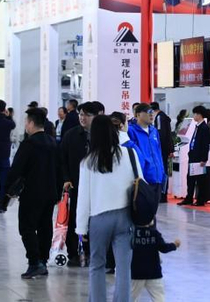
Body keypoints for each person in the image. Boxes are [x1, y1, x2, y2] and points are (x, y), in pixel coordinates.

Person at [76, 115, 142, 302]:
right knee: (123, 268)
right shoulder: (129, 154)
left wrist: (81, 228)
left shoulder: (88, 162)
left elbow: (84, 198)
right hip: (125, 217)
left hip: (99, 219)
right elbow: (141, 183)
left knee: (97, 265)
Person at [6, 107, 62, 279]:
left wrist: (7, 190)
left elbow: (16, 169)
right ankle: (43, 261)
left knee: (27, 227)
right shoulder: (53, 142)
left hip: (31, 193)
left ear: (31, 123)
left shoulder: (29, 144)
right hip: (50, 192)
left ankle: (34, 262)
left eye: (26, 122)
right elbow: (60, 169)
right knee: (45, 227)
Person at [61, 101, 99, 267]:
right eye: (81, 114)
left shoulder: (101, 136)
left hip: (97, 187)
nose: (83, 118)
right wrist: (66, 178)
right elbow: (62, 159)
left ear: (95, 117)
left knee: (94, 220)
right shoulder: (71, 135)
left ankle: (91, 252)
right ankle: (73, 253)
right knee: (74, 219)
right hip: (76, 186)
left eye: (87, 115)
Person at [131, 220, 180, 302]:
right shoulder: (154, 233)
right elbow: (164, 248)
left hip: (137, 273)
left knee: (132, 297)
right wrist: (174, 245)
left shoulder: (132, 234)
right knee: (158, 297)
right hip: (154, 272)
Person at [128, 103, 166, 199]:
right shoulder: (131, 131)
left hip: (157, 177)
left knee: (155, 206)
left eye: (152, 112)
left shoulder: (154, 131)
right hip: (142, 178)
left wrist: (162, 172)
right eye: (148, 112)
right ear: (138, 114)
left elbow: (159, 153)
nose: (151, 114)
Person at [178, 105, 210, 207]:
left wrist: (204, 159)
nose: (194, 116)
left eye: (195, 114)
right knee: (190, 178)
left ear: (199, 115)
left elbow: (205, 144)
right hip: (193, 155)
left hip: (199, 157)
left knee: (200, 180)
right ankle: (189, 198)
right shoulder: (198, 127)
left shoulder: (204, 128)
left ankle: (200, 200)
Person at [151, 102, 173, 203]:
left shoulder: (160, 117)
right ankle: (162, 194)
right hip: (164, 149)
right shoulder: (162, 116)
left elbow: (162, 134)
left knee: (163, 171)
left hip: (162, 150)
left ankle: (163, 194)